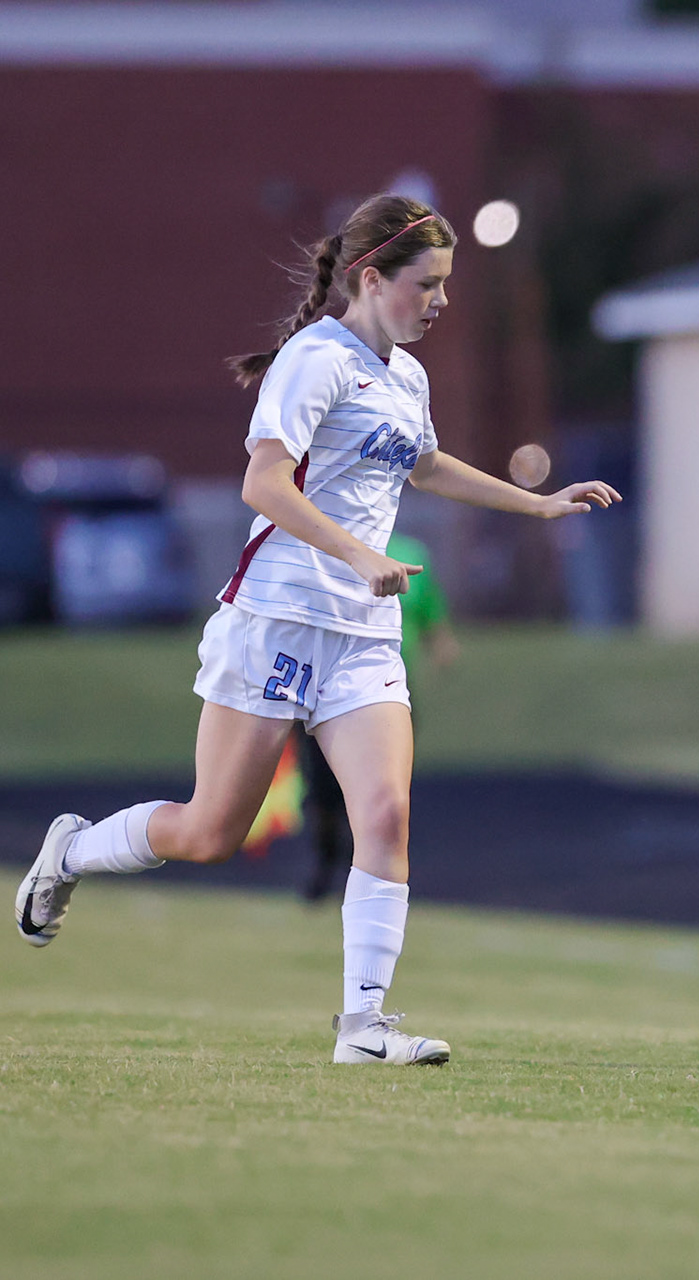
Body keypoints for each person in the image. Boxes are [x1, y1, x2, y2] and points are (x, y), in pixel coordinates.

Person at [13, 194, 621, 1066]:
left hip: (363, 635)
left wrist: (536, 503)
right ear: (372, 279)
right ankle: (71, 852)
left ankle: (364, 1027)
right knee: (210, 831)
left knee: (386, 809)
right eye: (428, 284)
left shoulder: (405, 375)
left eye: (447, 284)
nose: (441, 302)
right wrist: (353, 554)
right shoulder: (314, 359)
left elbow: (425, 463)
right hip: (277, 620)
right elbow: (263, 485)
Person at [297, 530, 458, 903]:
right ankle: (327, 858)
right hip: (326, 686)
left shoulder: (411, 552)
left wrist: (441, 641)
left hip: (390, 689)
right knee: (322, 789)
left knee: (384, 794)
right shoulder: (322, 544)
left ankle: (372, 876)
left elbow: (430, 609)